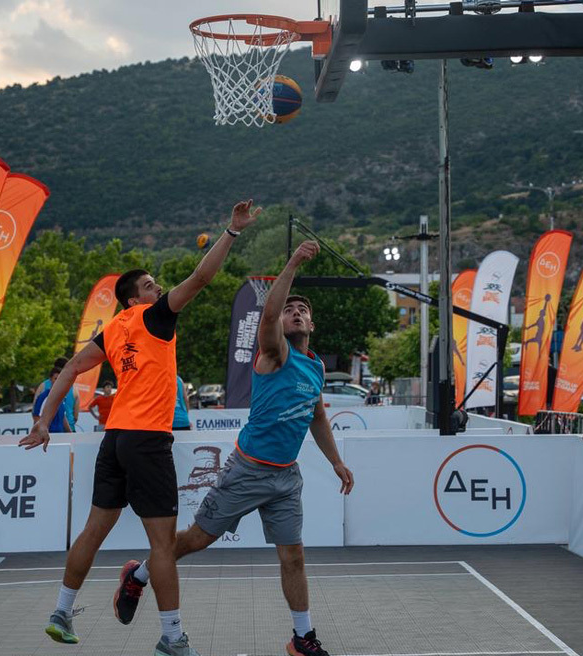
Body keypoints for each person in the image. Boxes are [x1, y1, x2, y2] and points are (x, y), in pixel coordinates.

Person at [20, 199, 262, 656]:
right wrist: (231, 231)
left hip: (114, 441)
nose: (160, 288)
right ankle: (172, 637)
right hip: (148, 441)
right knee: (163, 545)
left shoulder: (112, 330)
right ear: (136, 298)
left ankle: (61, 611)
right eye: (152, 285)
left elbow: (71, 369)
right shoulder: (157, 316)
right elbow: (203, 278)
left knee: (94, 530)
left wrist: (42, 420)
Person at [113, 241, 354, 656]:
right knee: (194, 541)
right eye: (289, 310)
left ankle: (302, 638)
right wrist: (293, 261)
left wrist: (336, 461)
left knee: (293, 556)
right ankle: (140, 574)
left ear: (312, 325)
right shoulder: (274, 354)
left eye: (303, 311)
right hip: (247, 471)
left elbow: (316, 417)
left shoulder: (314, 367)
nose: (295, 313)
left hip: (285, 477)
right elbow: (270, 314)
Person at [33, 368, 74, 433]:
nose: (58, 381)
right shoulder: (44, 397)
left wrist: (70, 433)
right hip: (48, 436)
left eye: (60, 379)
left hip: (60, 436)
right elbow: (36, 417)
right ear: (50, 380)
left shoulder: (61, 397)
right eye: (55, 379)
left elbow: (63, 417)